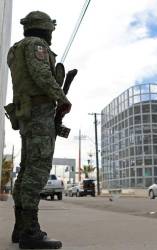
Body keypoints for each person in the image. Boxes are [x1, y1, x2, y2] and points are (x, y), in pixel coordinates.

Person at [6, 11, 71, 249]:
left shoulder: (15, 50)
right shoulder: (36, 45)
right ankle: (30, 234)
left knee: (26, 170)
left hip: (25, 113)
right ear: (44, 28)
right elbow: (42, 74)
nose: (51, 34)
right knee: (38, 169)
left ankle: (21, 227)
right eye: (50, 30)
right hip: (39, 113)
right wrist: (62, 98)